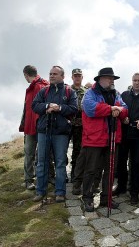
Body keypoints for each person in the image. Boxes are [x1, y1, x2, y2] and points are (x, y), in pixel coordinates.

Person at [80, 67, 128, 212]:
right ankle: (87, 197)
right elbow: (90, 108)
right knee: (91, 169)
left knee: (110, 169)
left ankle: (106, 198)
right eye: (109, 78)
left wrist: (118, 110)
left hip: (112, 137)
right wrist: (111, 108)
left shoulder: (116, 93)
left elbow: (125, 108)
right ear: (100, 79)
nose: (112, 80)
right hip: (94, 138)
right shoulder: (90, 93)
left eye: (113, 78)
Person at [32, 65, 78, 203]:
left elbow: (74, 109)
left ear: (62, 76)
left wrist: (59, 108)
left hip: (61, 133)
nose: (51, 76)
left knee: (60, 163)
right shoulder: (44, 91)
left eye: (55, 74)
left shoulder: (70, 92)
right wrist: (47, 106)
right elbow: (34, 106)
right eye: (50, 73)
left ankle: (60, 192)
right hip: (44, 131)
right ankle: (40, 191)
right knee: (42, 163)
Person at [113, 73, 139, 205]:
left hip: (138, 136)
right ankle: (121, 187)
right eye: (134, 80)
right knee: (121, 163)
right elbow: (119, 109)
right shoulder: (124, 95)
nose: (136, 83)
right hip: (124, 133)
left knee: (136, 164)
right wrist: (122, 117)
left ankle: (134, 192)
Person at [19, 65, 49, 191]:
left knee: (30, 153)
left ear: (26, 74)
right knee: (41, 154)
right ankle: (40, 178)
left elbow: (29, 109)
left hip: (34, 126)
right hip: (39, 125)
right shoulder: (44, 85)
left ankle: (29, 180)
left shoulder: (36, 87)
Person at [69, 68, 86, 194]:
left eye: (79, 76)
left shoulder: (86, 91)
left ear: (82, 77)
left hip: (80, 125)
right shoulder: (67, 90)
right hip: (67, 123)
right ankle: (64, 174)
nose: (77, 78)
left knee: (77, 150)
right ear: (72, 77)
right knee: (62, 151)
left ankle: (76, 175)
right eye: (75, 76)